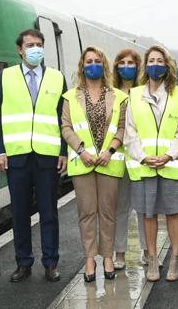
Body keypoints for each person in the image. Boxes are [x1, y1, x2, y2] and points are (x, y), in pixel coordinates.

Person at [0, 29, 67, 283]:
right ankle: (23, 263)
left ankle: (50, 263)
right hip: (17, 157)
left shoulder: (57, 78)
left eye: (39, 45)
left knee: (49, 213)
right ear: (19, 50)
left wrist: (64, 151)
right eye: (30, 45)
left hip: (47, 156)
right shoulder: (6, 77)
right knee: (20, 214)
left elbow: (63, 118)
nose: (35, 49)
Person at [61, 46, 128, 283]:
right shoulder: (71, 96)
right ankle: (89, 258)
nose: (92, 65)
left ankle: (107, 257)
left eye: (97, 60)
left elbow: (122, 127)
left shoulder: (119, 97)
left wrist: (110, 150)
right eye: (88, 61)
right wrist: (81, 150)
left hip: (109, 162)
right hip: (83, 163)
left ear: (104, 65)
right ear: (82, 66)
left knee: (108, 212)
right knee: (87, 212)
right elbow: (66, 127)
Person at [124, 45, 178, 282]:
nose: (155, 64)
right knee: (148, 214)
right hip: (145, 165)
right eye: (151, 60)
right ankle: (152, 259)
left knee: (173, 214)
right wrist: (142, 156)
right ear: (145, 65)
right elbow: (129, 131)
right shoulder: (134, 95)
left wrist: (169, 155)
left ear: (167, 65)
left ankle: (175, 258)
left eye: (159, 60)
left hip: (170, 165)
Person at [111, 49, 150, 270]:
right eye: (122, 62)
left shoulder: (145, 92)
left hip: (139, 158)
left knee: (144, 208)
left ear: (138, 66)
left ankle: (147, 251)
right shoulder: (111, 93)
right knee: (121, 208)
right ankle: (120, 254)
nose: (127, 66)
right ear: (116, 67)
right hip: (117, 159)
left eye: (131, 63)